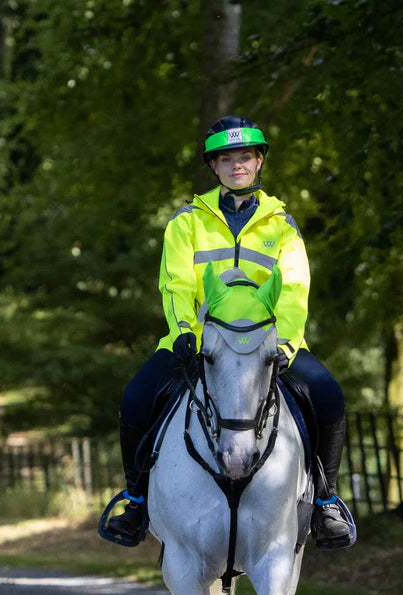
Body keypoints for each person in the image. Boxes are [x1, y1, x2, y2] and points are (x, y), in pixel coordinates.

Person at [104, 115, 351, 549]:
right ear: (213, 166)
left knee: (329, 397)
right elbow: (175, 284)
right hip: (198, 343)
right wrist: (184, 331)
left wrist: (285, 344)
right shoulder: (186, 222)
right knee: (135, 400)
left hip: (270, 344)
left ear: (259, 162)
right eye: (226, 159)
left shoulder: (283, 225)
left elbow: (295, 290)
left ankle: (326, 503)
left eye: (245, 157)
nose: (237, 165)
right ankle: (137, 500)